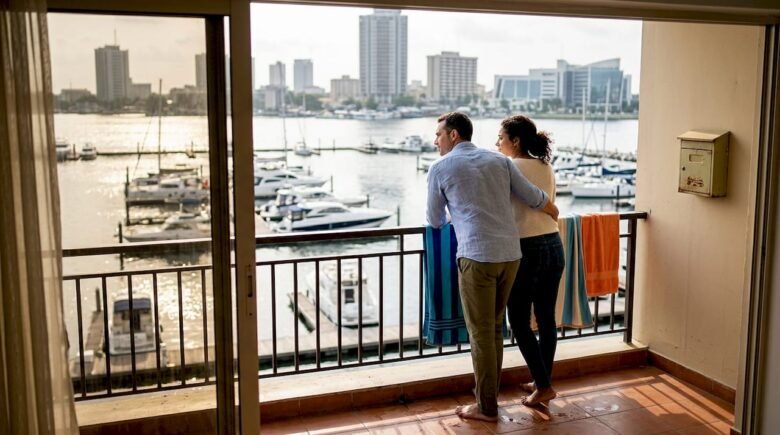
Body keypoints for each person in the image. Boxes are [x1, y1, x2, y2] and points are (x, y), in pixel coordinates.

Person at [426, 112, 559, 422]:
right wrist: (552, 209)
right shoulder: (498, 161)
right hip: (511, 255)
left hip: (477, 256)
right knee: (495, 330)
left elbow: (434, 220)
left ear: (454, 135)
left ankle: (486, 407)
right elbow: (533, 196)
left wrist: (456, 216)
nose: (435, 141)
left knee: (481, 334)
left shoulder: (440, 168)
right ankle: (491, 399)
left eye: (439, 135)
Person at [496, 115, 565, 407]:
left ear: (515, 140)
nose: (497, 143)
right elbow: (548, 204)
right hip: (553, 243)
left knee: (520, 323)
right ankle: (541, 381)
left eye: (500, 137)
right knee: (546, 319)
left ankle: (544, 385)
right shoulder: (545, 166)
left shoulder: (508, 167)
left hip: (526, 250)